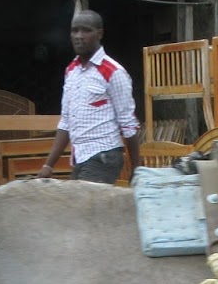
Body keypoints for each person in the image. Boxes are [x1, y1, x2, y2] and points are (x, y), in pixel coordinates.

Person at [38, 10, 141, 184]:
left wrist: (137, 169)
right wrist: (48, 165)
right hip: (80, 157)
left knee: (82, 208)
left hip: (104, 156)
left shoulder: (113, 72)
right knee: (81, 208)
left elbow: (128, 122)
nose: (79, 36)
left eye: (86, 30)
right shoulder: (71, 71)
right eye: (74, 30)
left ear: (100, 34)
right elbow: (66, 121)